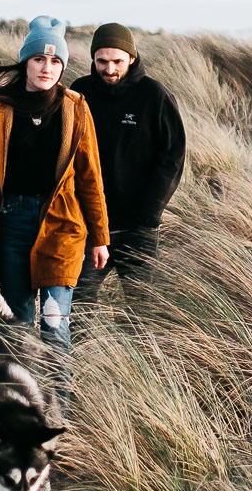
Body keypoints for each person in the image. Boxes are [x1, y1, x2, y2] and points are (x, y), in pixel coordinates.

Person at [0, 15, 111, 354]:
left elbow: (91, 177)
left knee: (54, 322)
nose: (47, 68)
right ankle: (26, 401)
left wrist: (100, 237)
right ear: (25, 62)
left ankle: (56, 404)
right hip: (12, 223)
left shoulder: (76, 108)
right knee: (17, 325)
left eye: (56, 60)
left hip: (63, 224)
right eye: (39, 59)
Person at [71, 22, 185, 298]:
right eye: (102, 61)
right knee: (79, 300)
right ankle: (82, 344)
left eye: (117, 61)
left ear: (132, 58)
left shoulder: (154, 95)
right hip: (90, 223)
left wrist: (149, 212)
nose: (109, 69)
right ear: (93, 59)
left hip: (138, 226)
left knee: (142, 305)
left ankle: (142, 345)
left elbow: (173, 156)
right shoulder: (79, 92)